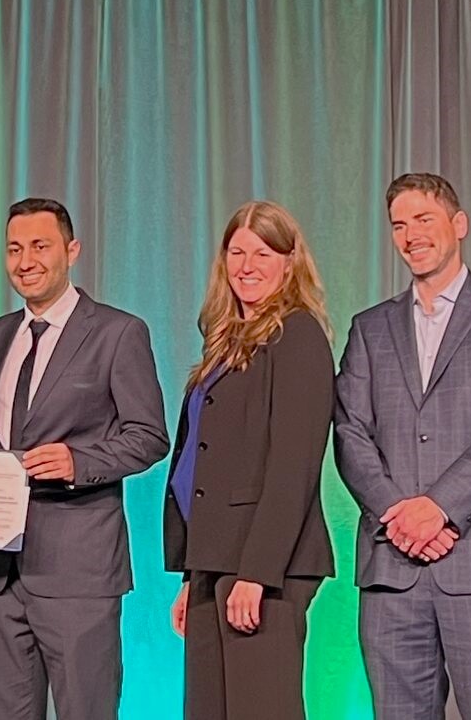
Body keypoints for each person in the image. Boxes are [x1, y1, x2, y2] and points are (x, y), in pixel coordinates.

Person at [0, 198, 168, 720]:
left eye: (40, 246)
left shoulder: (118, 332)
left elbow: (149, 436)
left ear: (72, 250)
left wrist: (77, 460)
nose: (25, 260)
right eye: (14, 248)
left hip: (78, 574)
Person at [335, 173, 471, 719]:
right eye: (398, 225)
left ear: (459, 225)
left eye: (423, 219)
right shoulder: (369, 328)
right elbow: (350, 432)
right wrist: (398, 515)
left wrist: (438, 509)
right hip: (392, 566)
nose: (410, 235)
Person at [163, 200, 335, 720]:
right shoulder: (225, 341)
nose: (247, 264)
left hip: (263, 568)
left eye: (263, 252)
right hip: (214, 562)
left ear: (289, 261)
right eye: (237, 251)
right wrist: (192, 577)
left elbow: (293, 466)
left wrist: (258, 574)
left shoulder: (298, 335)